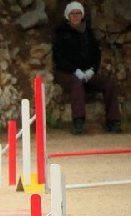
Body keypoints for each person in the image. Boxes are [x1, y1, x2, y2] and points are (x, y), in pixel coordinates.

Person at [52, 1, 122, 135]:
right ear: (68, 15)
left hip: (87, 73)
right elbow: (58, 58)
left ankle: (113, 121)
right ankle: (78, 121)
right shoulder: (61, 33)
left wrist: (92, 70)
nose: (76, 16)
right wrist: (74, 70)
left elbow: (97, 54)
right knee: (76, 83)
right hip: (66, 73)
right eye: (73, 13)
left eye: (78, 13)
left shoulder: (88, 33)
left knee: (109, 83)